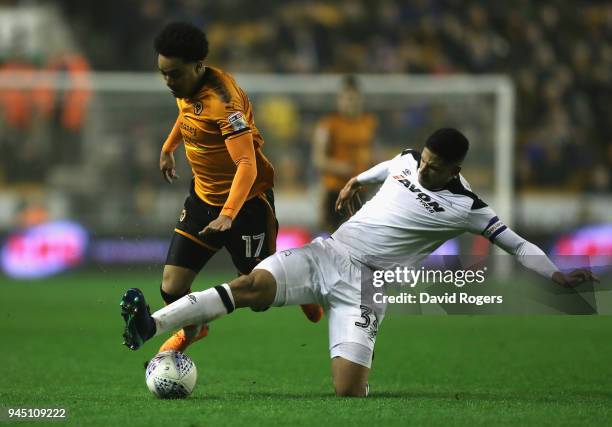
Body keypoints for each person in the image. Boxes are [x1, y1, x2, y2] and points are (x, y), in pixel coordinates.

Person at [121, 128, 598, 397]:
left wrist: (555, 272)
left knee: (348, 391)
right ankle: (151, 325)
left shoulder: (468, 207)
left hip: (367, 287)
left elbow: (516, 245)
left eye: (435, 167)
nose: (423, 169)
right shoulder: (411, 158)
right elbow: (391, 164)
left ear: (455, 170)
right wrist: (355, 180)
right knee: (250, 286)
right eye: (424, 160)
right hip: (329, 252)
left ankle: (339, 334)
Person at [151, 22, 323, 355]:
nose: (169, 82)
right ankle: (195, 328)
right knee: (171, 288)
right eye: (164, 74)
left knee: (258, 294)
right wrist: (168, 146)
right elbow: (187, 116)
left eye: (174, 74)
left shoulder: (223, 104)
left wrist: (228, 214)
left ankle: (305, 286)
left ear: (198, 67)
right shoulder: (186, 87)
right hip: (203, 198)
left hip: (246, 205)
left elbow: (248, 164)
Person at [312, 75, 378, 232]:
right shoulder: (328, 124)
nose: (351, 103)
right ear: (339, 100)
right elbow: (318, 159)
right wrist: (340, 168)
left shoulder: (369, 122)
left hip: (360, 191)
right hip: (335, 191)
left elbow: (372, 152)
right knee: (332, 236)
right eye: (347, 99)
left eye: (354, 99)